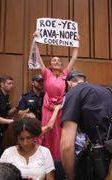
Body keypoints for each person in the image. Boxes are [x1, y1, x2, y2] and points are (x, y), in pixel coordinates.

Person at [60, 71, 112, 180]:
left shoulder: (73, 92)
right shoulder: (108, 91)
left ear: (68, 84)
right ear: (86, 81)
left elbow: (66, 146)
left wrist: (70, 176)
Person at [34, 32, 79, 160]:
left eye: (59, 60)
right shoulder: (46, 73)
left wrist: (76, 44)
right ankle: (47, 159)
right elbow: (38, 59)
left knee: (59, 133)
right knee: (48, 132)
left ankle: (60, 160)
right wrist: (36, 41)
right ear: (50, 64)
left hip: (61, 107)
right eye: (54, 60)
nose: (57, 61)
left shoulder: (65, 74)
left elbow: (73, 59)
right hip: (48, 107)